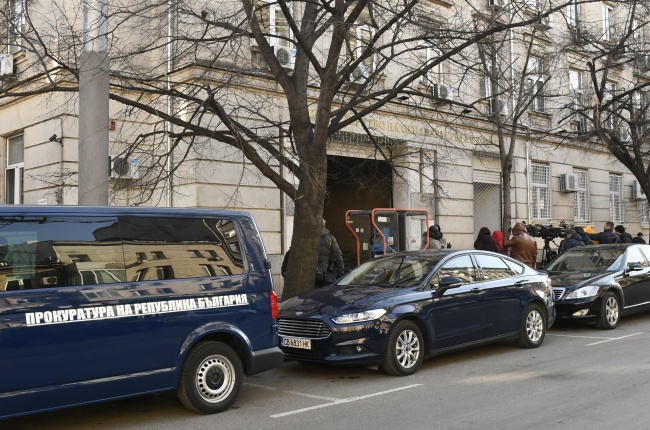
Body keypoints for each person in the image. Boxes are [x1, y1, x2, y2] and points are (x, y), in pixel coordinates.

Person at [317, 219, 344, 288]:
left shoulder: (309, 238)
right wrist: (341, 272)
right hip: (327, 273)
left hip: (314, 274)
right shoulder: (330, 239)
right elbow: (338, 256)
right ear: (324, 225)